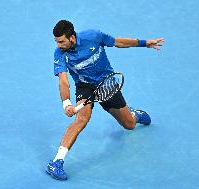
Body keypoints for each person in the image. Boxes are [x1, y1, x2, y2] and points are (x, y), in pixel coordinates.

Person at [46, 20, 164, 180]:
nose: (58, 45)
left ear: (72, 37)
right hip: (85, 86)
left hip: (107, 83)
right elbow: (63, 81)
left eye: (61, 41)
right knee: (81, 119)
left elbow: (118, 42)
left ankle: (134, 114)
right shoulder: (60, 54)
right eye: (56, 42)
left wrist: (144, 43)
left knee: (129, 125)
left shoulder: (93, 36)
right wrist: (66, 103)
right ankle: (57, 161)